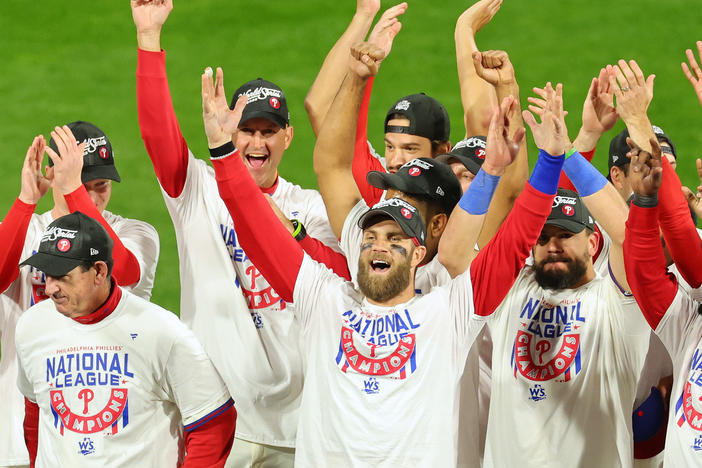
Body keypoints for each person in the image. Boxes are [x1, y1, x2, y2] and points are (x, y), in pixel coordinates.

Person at [202, 49, 567, 466]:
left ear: (417, 254)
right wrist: (221, 149)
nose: (378, 245)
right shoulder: (323, 299)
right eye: (372, 235)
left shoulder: (450, 310)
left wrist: (551, 160)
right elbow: (254, 224)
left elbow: (515, 239)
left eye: (395, 238)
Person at [131, 1, 343, 465]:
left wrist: (292, 229)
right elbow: (157, 136)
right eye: (246, 130)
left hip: (302, 423)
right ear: (229, 129)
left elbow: (344, 278)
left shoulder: (310, 208)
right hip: (221, 419)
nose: (256, 143)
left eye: (269, 131)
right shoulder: (199, 190)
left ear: (288, 136)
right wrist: (149, 41)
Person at [445, 79, 651, 468]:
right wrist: (491, 169)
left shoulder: (618, 303)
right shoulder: (512, 292)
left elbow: (629, 234)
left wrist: (567, 154)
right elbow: (455, 254)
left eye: (565, 235)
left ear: (593, 244)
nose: (552, 244)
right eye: (543, 236)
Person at [15, 211, 234, 467]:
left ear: (99, 271)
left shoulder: (160, 331)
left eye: (63, 277)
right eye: (47, 274)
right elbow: (35, 412)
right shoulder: (32, 326)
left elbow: (214, 421)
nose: (50, 288)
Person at [0, 124, 158, 468]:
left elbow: (126, 273)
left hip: (112, 440)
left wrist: (72, 190)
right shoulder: (25, 231)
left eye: (100, 186)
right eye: (81, 185)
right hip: (23, 441)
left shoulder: (135, 234)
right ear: (51, 174)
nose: (92, 197)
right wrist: (26, 200)